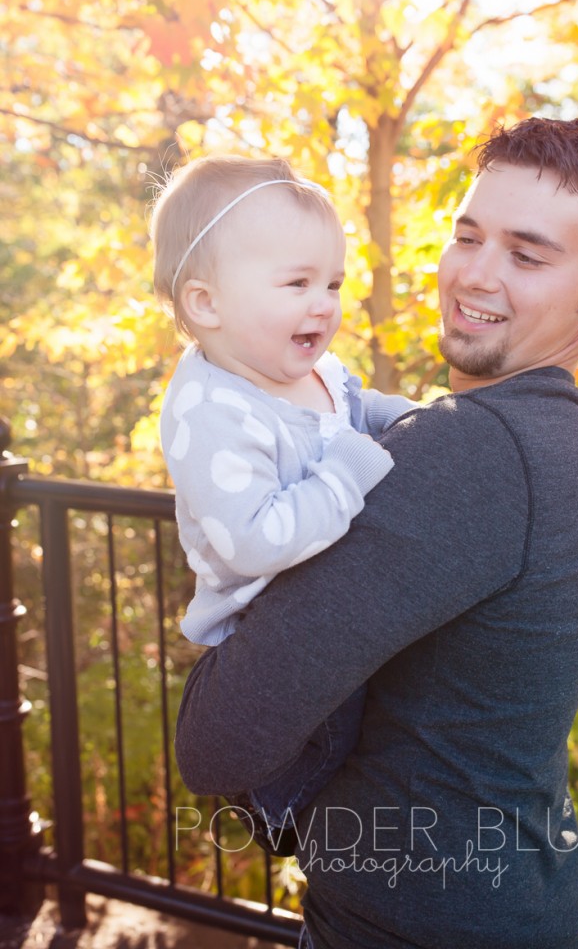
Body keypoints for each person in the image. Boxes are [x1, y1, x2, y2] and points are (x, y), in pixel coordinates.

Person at [174, 118, 578, 949]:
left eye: (527, 255)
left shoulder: (471, 449)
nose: (476, 272)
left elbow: (219, 741)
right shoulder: (554, 437)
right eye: (468, 236)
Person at [151, 155, 413, 850]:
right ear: (206, 304)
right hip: (267, 637)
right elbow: (256, 539)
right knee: (327, 746)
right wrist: (344, 477)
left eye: (331, 282)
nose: (323, 304)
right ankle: (277, 810)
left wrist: (420, 421)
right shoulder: (212, 409)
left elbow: (358, 410)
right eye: (296, 283)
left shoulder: (313, 370)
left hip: (326, 609)